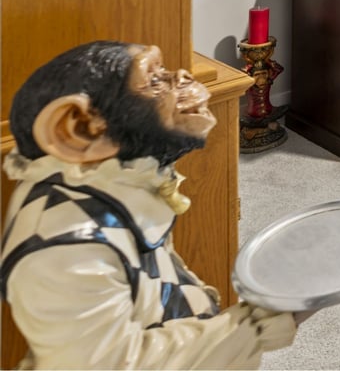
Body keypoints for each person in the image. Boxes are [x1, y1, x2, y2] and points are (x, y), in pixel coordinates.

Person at [1, 41, 303, 369]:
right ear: (82, 127)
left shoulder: (110, 184)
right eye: (155, 79)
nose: (184, 76)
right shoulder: (64, 253)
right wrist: (252, 329)